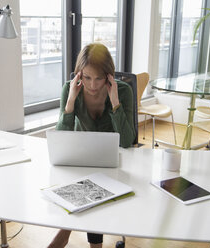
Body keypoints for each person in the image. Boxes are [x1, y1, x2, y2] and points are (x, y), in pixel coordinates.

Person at [48, 43, 136, 248]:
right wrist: (71, 100)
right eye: (86, 77)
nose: (93, 85)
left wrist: (115, 102)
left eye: (99, 78)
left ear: (109, 75)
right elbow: (62, 138)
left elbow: (127, 141)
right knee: (87, 183)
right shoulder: (70, 89)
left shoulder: (122, 91)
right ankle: (92, 244)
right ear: (79, 74)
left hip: (114, 160)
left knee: (94, 185)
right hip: (81, 158)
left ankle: (64, 231)